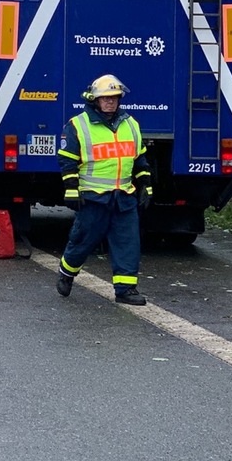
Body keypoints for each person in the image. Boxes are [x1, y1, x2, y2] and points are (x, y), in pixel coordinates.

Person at [56, 74, 153, 305]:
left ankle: (126, 290)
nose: (110, 102)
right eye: (105, 98)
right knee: (82, 241)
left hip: (123, 197)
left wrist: (146, 185)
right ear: (95, 100)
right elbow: (67, 161)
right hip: (93, 198)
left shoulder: (131, 124)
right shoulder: (78, 125)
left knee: (128, 243)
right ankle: (67, 273)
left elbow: (140, 159)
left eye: (114, 98)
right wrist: (71, 189)